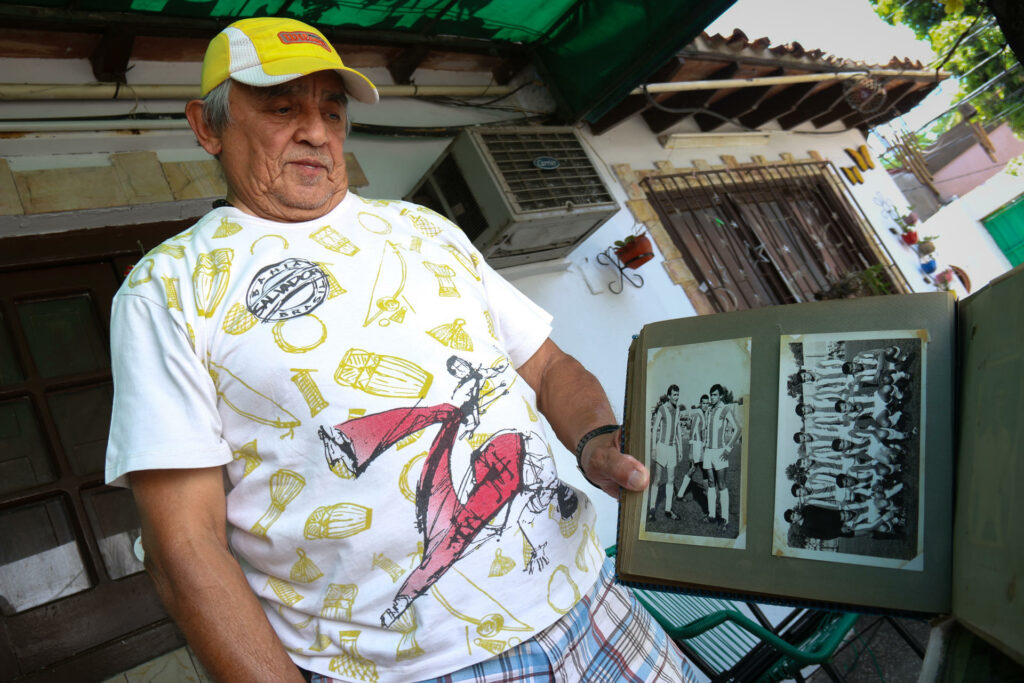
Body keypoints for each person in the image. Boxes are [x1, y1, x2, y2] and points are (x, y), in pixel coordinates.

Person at [104, 17, 692, 683]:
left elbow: (548, 364)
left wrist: (595, 438)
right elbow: (185, 544)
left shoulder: (423, 228)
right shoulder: (169, 287)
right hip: (415, 671)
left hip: (589, 597)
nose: (317, 131)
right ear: (207, 127)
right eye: (282, 107)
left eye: (332, 109)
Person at [702, 384, 738, 528]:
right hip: (708, 452)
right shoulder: (710, 410)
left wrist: (728, 449)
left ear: (721, 396)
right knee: (711, 483)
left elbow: (738, 429)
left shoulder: (724, 408)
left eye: (715, 395)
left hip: (719, 452)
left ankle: (725, 519)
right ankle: (711, 515)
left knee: (721, 484)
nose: (712, 397)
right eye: (711, 395)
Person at [647, 384, 682, 521]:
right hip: (662, 447)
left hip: (672, 448)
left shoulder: (677, 409)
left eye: (678, 395)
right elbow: (655, 429)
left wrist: (680, 448)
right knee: (657, 479)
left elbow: (678, 429)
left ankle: (668, 510)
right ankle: (652, 509)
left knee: (671, 480)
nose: (676, 397)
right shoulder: (662, 409)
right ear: (669, 396)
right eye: (674, 395)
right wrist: (654, 449)